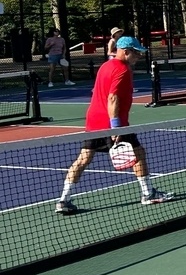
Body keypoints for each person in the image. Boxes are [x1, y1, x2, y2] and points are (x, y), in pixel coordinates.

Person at [56, 36, 172, 215]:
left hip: (93, 121)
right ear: (126, 52)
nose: (139, 56)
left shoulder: (105, 66)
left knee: (83, 159)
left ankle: (64, 199)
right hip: (112, 122)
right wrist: (115, 126)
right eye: (136, 53)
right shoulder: (122, 69)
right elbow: (113, 98)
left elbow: (97, 92)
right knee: (139, 153)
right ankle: (148, 194)